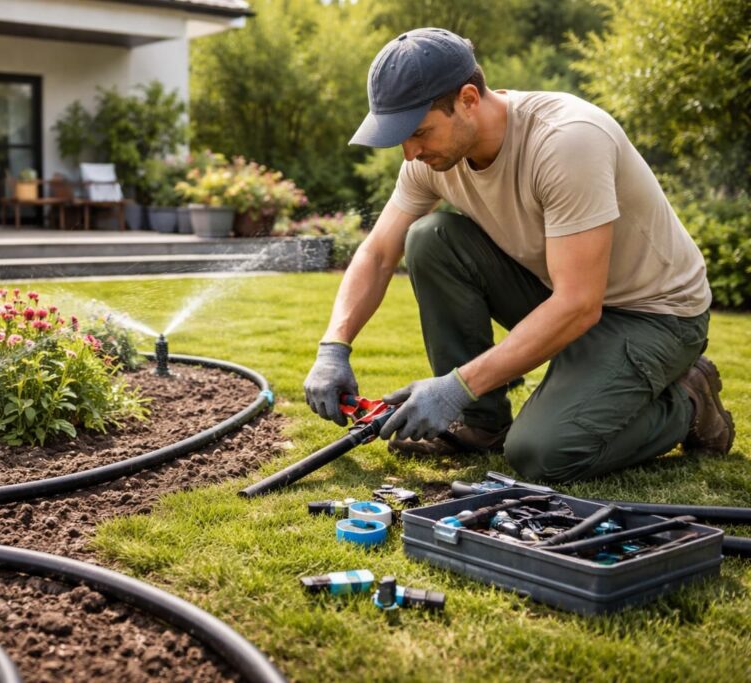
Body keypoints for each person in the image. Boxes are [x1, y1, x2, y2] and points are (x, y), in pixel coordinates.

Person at [303, 27, 735, 483]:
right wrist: (333, 348)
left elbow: (579, 304)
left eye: (419, 132)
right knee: (430, 239)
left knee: (542, 453)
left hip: (654, 316)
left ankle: (689, 401)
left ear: (468, 99)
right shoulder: (431, 160)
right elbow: (378, 253)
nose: (410, 152)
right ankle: (477, 424)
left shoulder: (567, 142)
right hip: (565, 294)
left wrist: (455, 386)